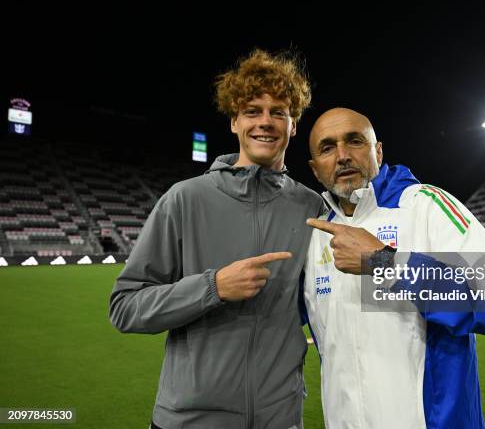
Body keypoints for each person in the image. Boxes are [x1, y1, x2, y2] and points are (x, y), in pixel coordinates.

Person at [109, 49, 325, 429]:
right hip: (192, 419)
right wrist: (213, 287)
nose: (266, 122)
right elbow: (125, 307)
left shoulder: (310, 207)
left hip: (280, 418)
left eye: (279, 112)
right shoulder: (185, 198)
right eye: (253, 111)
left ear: (293, 125)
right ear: (234, 122)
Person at [302, 108, 485, 429]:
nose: (343, 156)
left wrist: (384, 262)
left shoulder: (426, 206)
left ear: (378, 151)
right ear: (315, 167)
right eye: (327, 147)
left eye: (355, 141)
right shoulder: (313, 235)